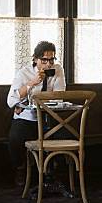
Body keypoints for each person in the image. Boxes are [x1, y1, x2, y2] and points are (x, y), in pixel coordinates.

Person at [6, 41, 66, 185]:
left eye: (51, 59)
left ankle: (55, 172)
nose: (48, 64)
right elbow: (11, 100)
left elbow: (59, 96)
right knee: (15, 138)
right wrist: (32, 83)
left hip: (49, 117)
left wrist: (39, 99)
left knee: (65, 134)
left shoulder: (58, 70)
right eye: (44, 60)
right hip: (28, 118)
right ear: (35, 59)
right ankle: (20, 169)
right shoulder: (24, 73)